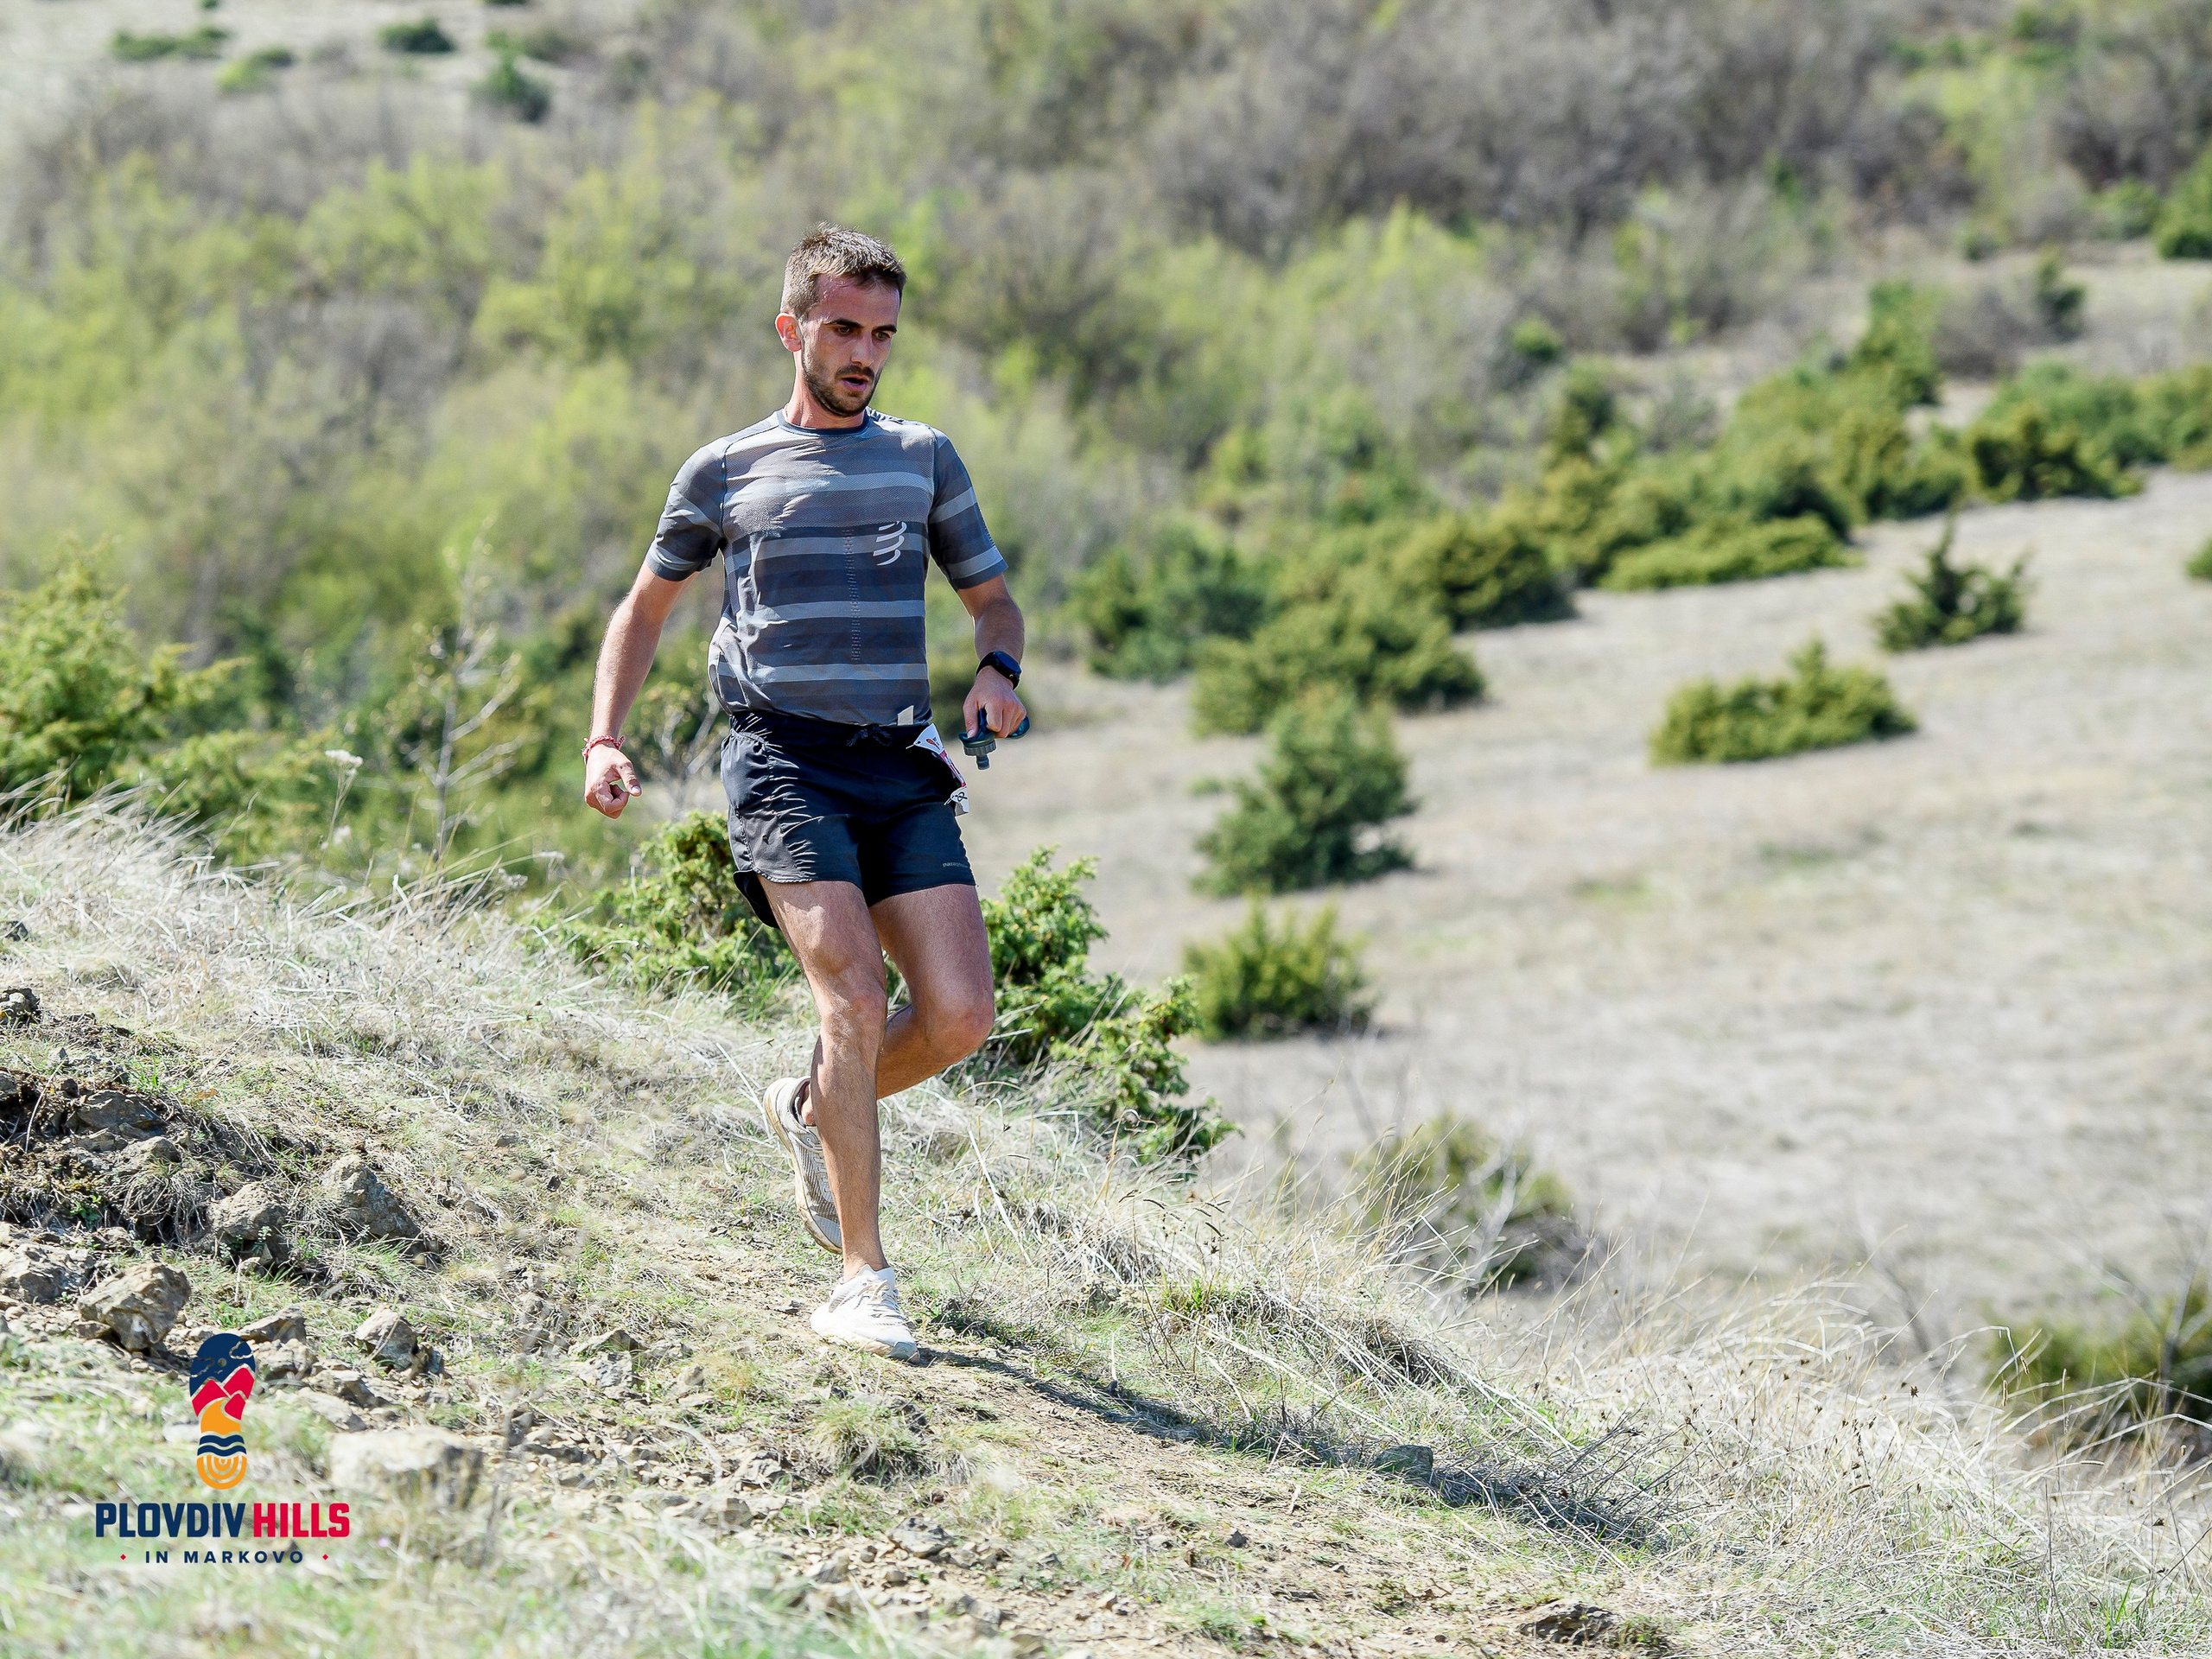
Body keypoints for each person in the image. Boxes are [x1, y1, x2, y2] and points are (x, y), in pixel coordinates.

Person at [581, 225, 1026, 1362]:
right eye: (843, 328)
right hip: (781, 758)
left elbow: (992, 603)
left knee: (962, 1016)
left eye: (882, 333)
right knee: (852, 1001)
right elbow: (643, 611)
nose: (865, 351)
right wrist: (605, 737)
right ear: (793, 329)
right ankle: (862, 1282)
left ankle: (810, 1108)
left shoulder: (924, 458)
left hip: (901, 762)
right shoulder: (724, 470)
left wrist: (998, 671)